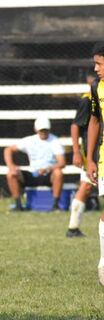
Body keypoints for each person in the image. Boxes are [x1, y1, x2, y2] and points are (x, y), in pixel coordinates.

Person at [4, 116, 65, 211]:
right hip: (32, 173)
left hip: (48, 174)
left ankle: (55, 204)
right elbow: (8, 150)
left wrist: (48, 169)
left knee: (58, 173)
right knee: (11, 174)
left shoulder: (55, 141)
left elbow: (62, 162)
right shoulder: (29, 140)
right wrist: (11, 165)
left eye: (46, 130)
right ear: (36, 130)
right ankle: (18, 205)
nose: (44, 133)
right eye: (41, 130)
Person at [67, 75, 96, 237]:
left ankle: (73, 228)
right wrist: (77, 152)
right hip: (91, 151)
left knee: (86, 187)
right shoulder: (87, 100)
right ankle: (73, 228)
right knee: (85, 186)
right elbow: (75, 126)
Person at [86, 43, 104, 286]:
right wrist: (90, 157)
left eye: (99, 63)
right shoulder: (96, 87)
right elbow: (94, 121)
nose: (95, 68)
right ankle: (103, 264)